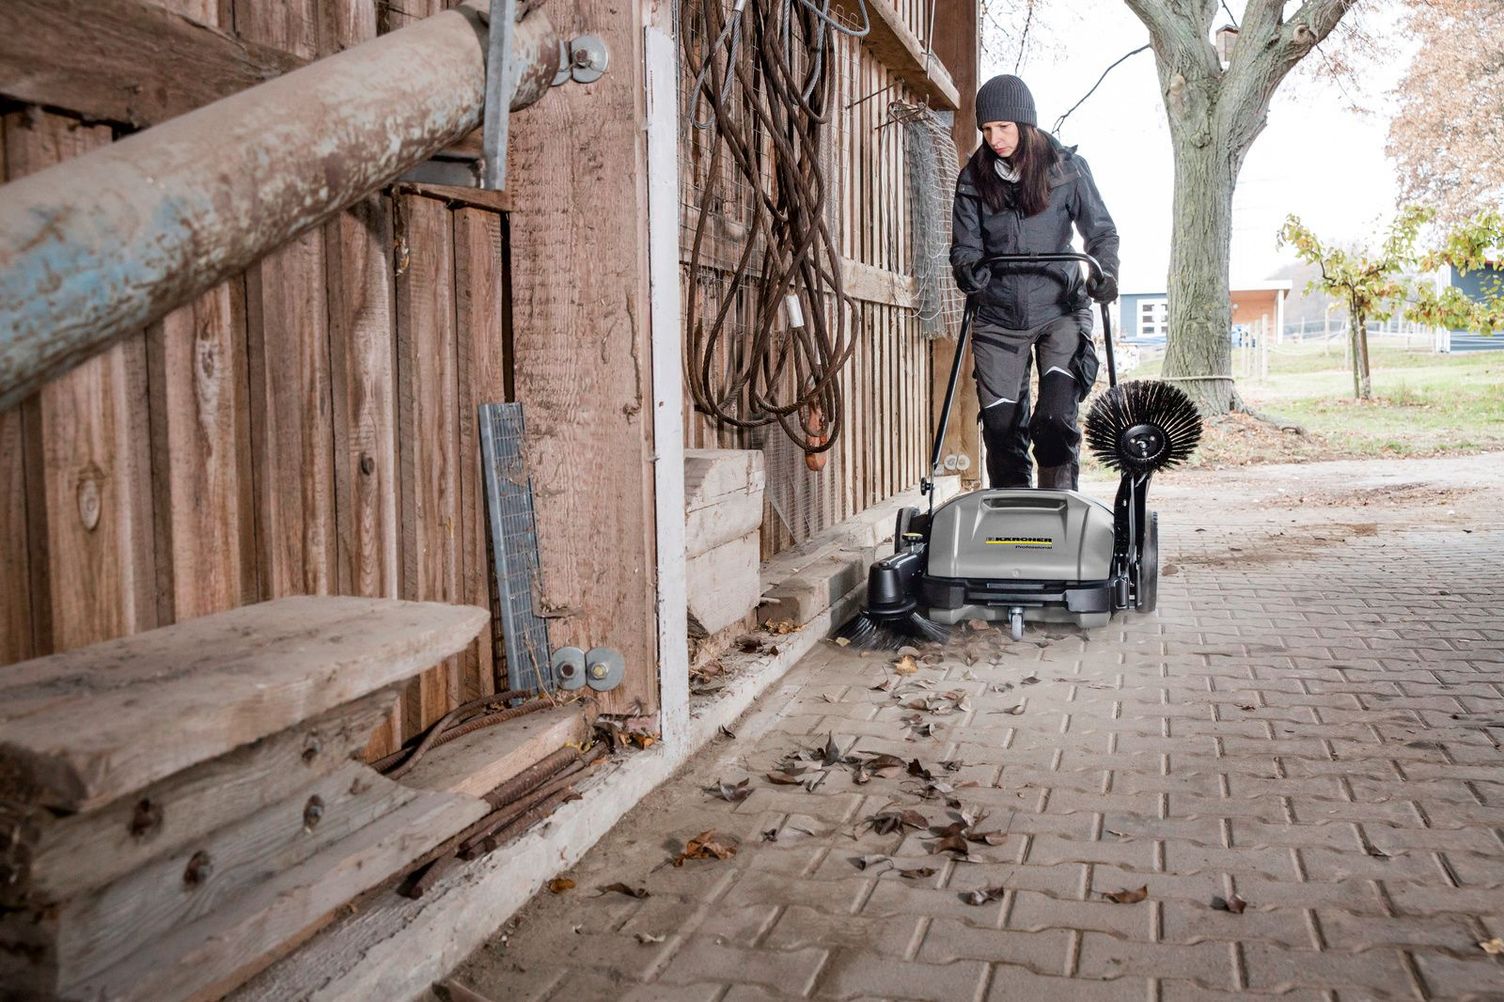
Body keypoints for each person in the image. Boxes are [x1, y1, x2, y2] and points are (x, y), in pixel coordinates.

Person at [950, 74, 1120, 491]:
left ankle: (1059, 505)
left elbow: (1100, 233)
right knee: (1002, 429)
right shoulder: (973, 179)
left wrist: (1106, 271)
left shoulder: (1067, 169)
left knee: (1054, 419)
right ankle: (1012, 513)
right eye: (987, 130)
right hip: (998, 315)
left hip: (1060, 308)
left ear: (1026, 124)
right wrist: (968, 268)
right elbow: (964, 246)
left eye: (1004, 127)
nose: (995, 138)